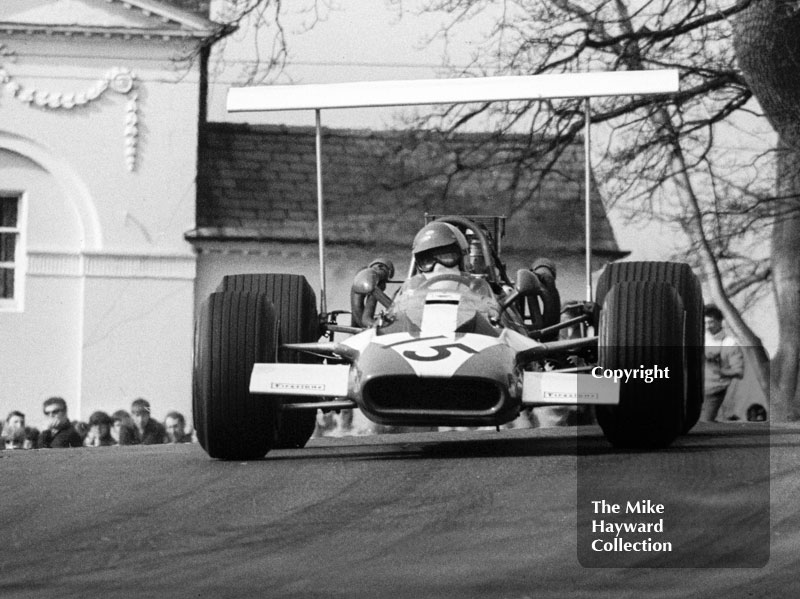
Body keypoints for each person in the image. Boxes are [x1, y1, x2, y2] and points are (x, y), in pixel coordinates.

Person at [702, 304, 744, 422]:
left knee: (704, 423)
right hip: (692, 390)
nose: (707, 326)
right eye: (704, 323)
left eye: (711, 322)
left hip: (714, 391)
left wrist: (720, 371)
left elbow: (738, 371)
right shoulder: (699, 340)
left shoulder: (729, 343)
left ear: (720, 322)